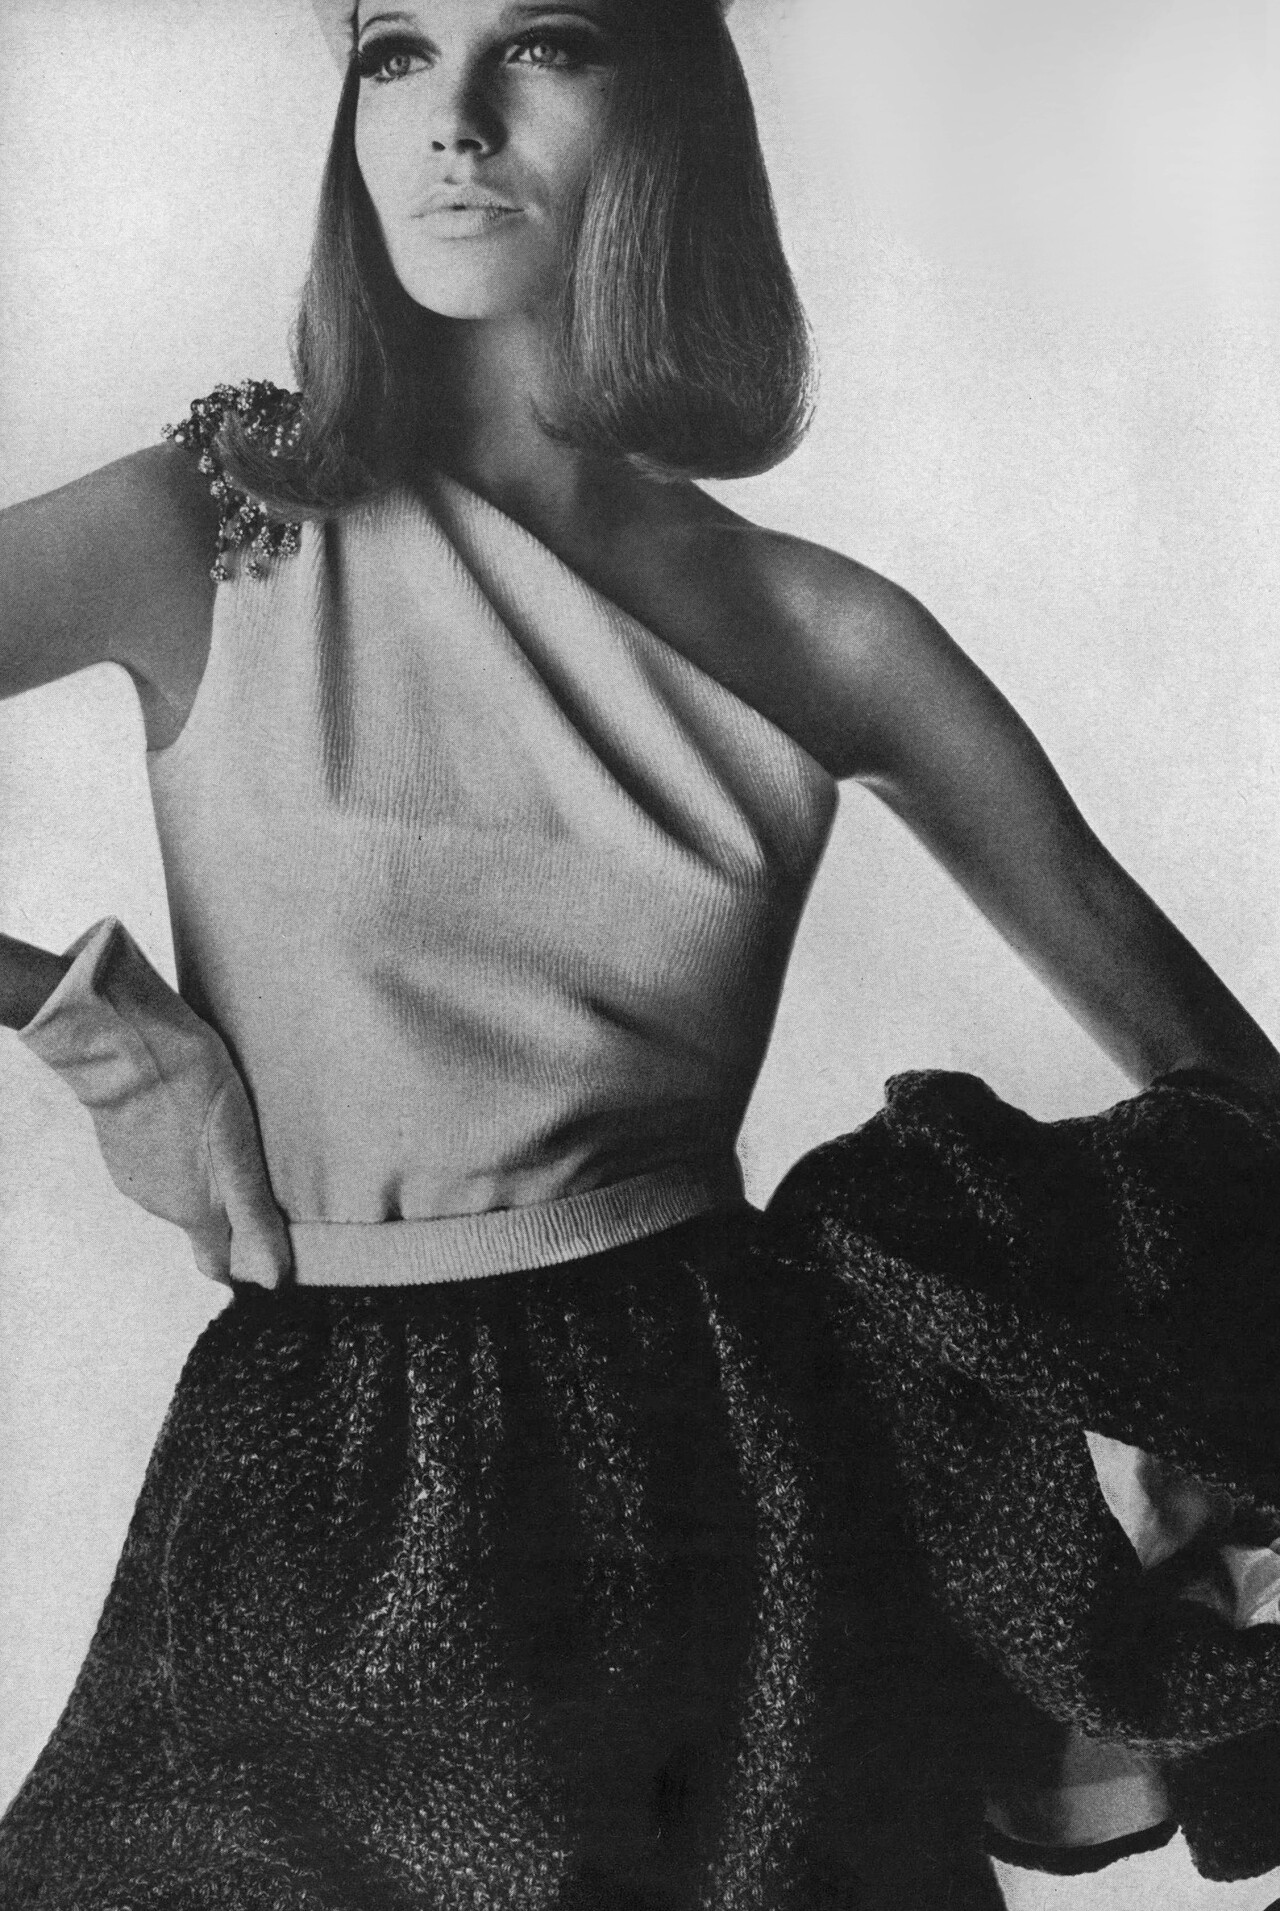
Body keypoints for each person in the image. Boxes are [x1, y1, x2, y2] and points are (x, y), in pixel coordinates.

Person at [0, 1, 1278, 1906]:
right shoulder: (212, 521)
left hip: (726, 1490)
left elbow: (1232, 1099)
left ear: (673, 105)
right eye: (395, 50)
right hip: (321, 1481)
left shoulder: (829, 633)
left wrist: (1051, 1336)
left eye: (543, 44)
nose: (453, 119)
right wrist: (86, 1023)